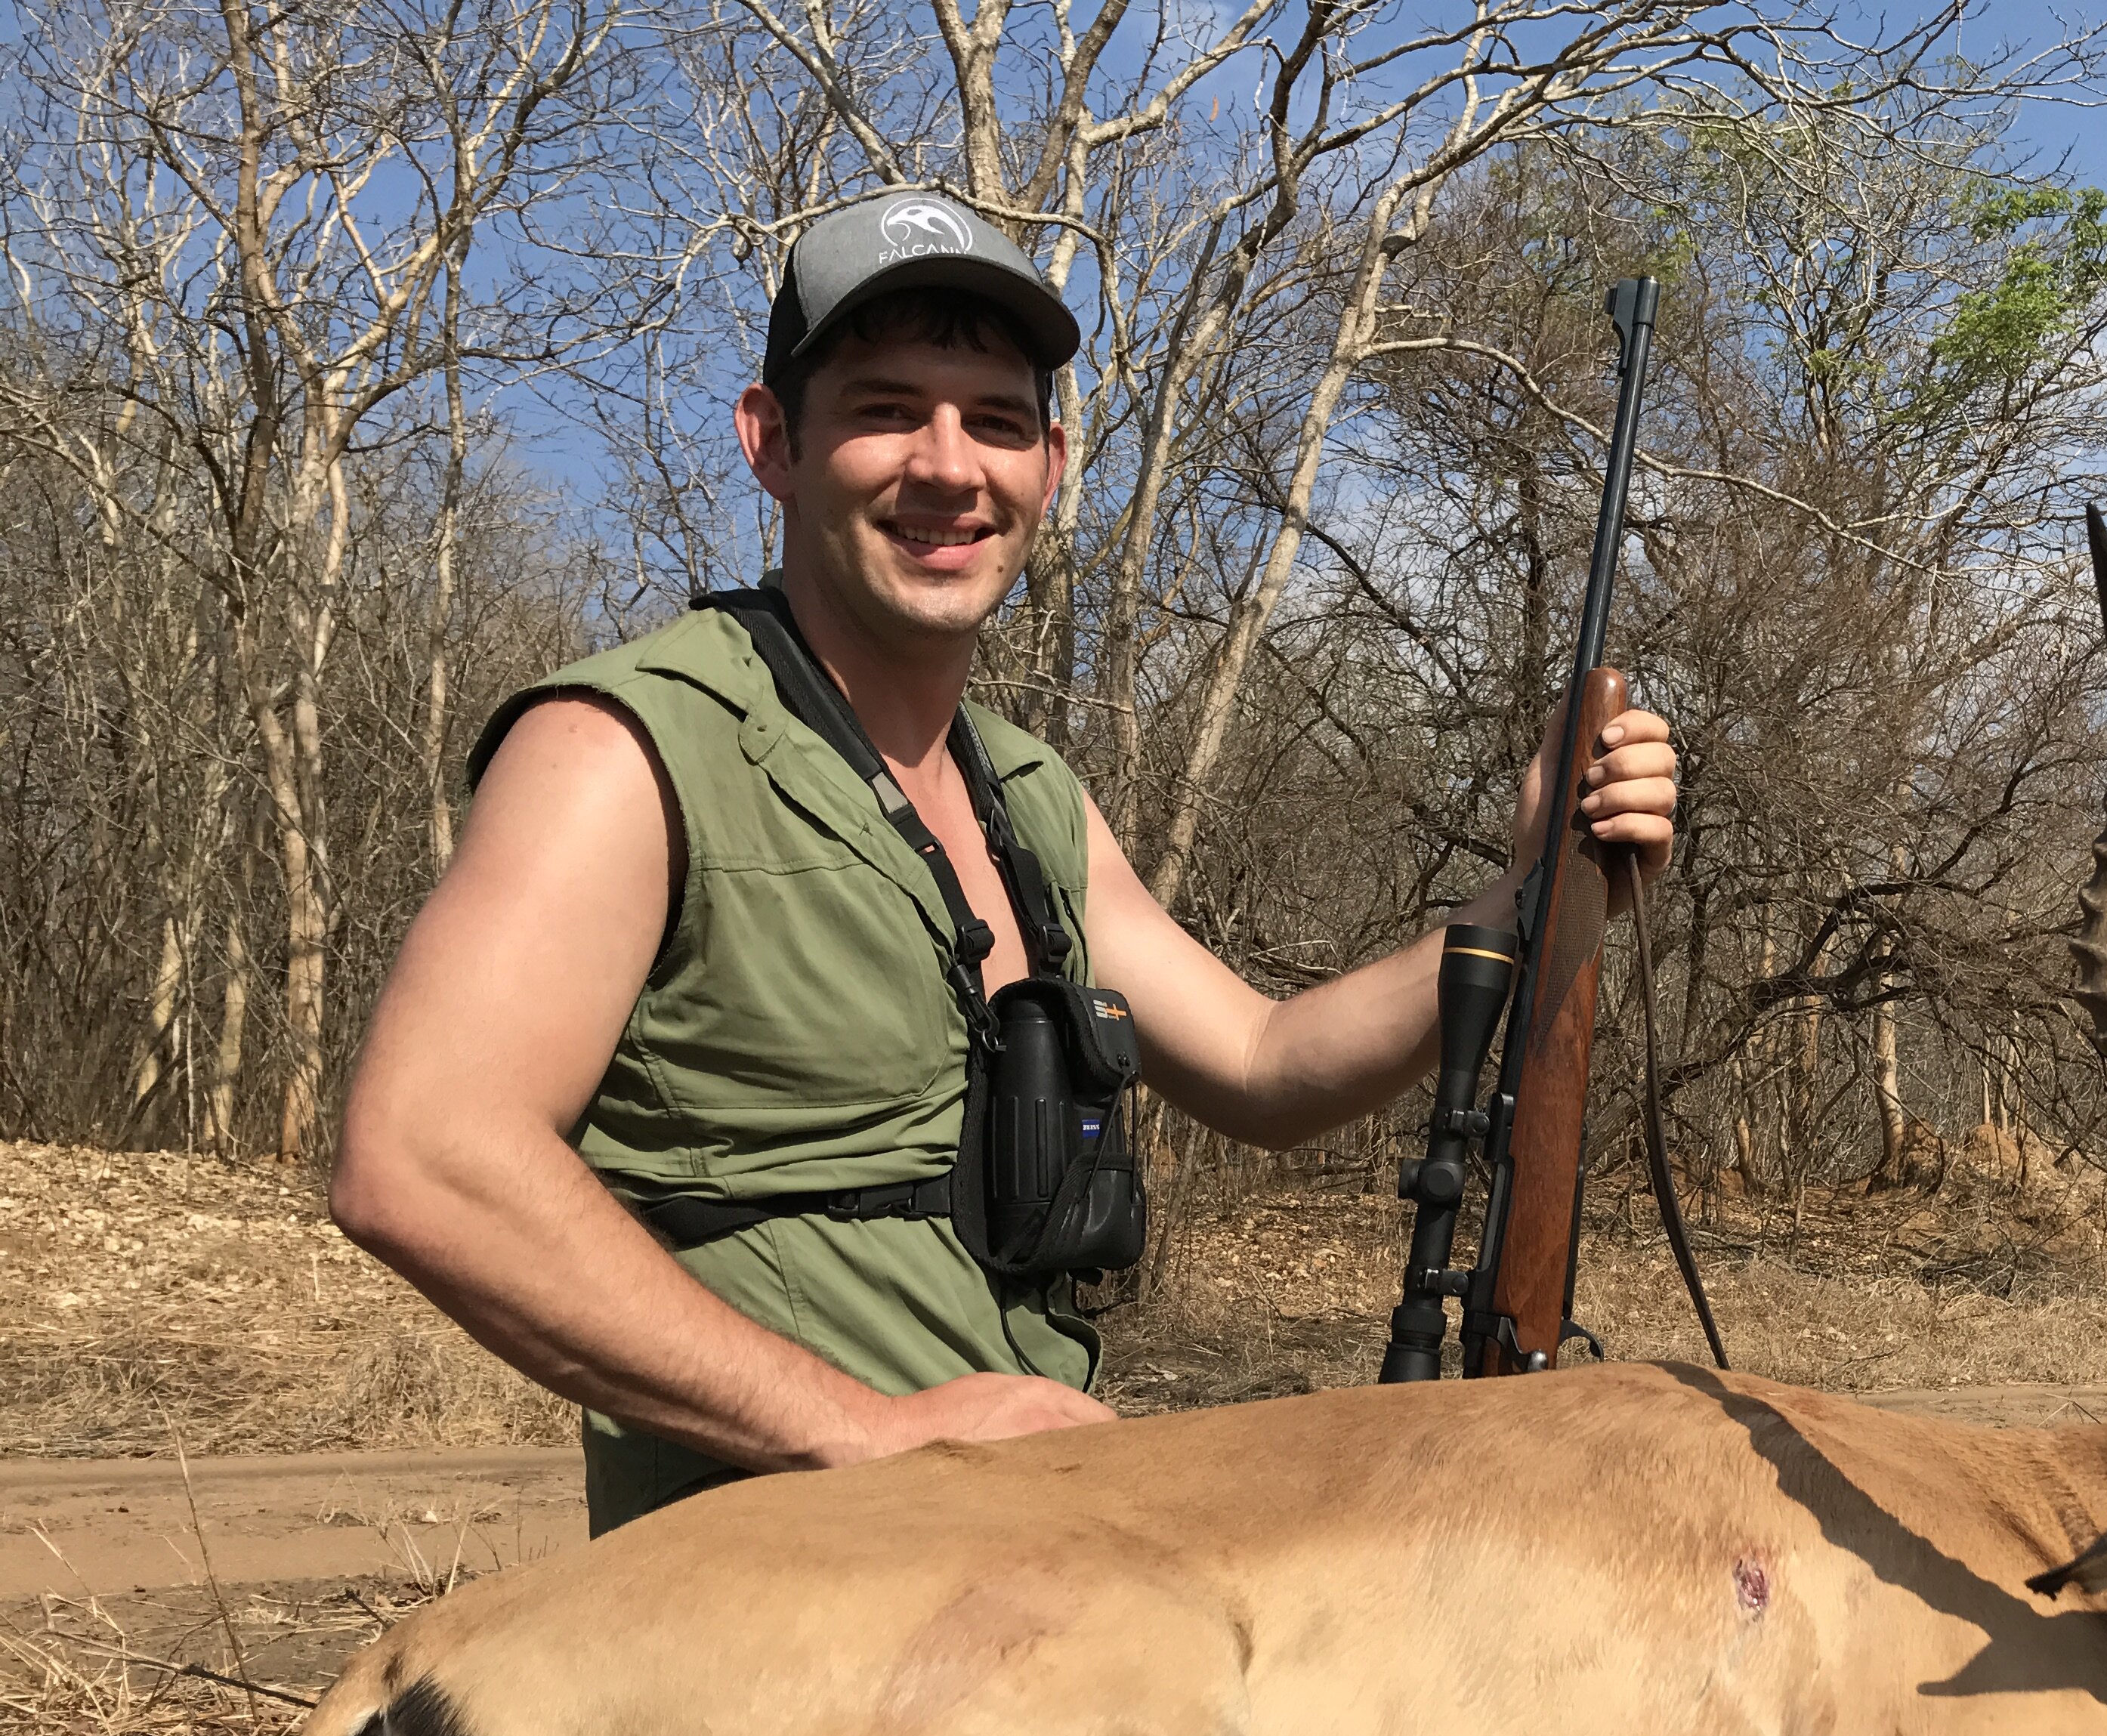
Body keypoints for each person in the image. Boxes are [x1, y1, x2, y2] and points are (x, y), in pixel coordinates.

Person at [333, 188, 1680, 1532]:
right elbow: (424, 1156)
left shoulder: (1029, 795)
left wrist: (1533, 890)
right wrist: (863, 1438)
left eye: (994, 419)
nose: (946, 464)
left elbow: (1266, 1066)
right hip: (774, 1581)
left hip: (1029, 1547)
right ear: (772, 443)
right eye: (883, 407)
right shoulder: (621, 750)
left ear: (1051, 461)